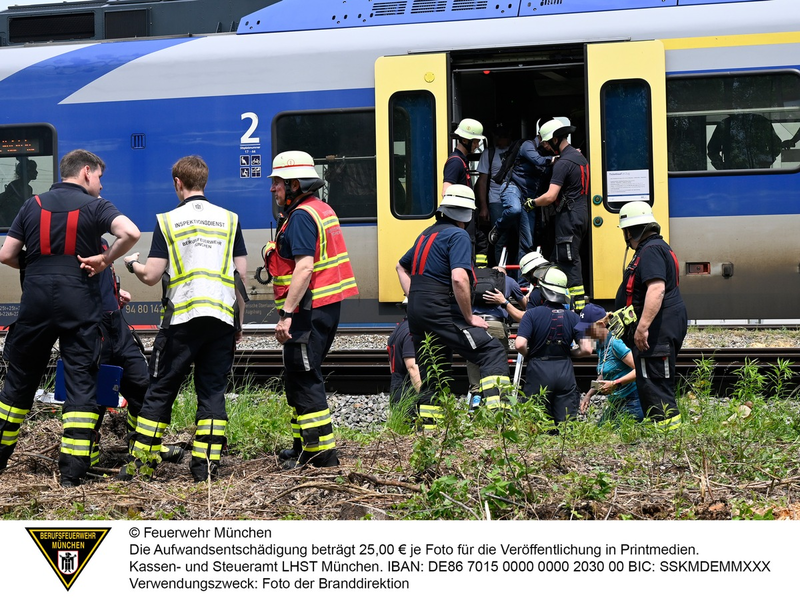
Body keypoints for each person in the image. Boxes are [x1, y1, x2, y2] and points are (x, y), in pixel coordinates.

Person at [0, 149, 140, 487]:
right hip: (79, 303)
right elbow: (131, 233)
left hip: (35, 303)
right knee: (81, 383)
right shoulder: (96, 207)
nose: (101, 185)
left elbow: (6, 254)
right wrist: (104, 260)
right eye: (100, 178)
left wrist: (38, 265)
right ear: (86, 172)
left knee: (18, 383)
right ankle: (71, 475)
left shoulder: (31, 205)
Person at [120, 155, 248, 482]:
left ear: (178, 183)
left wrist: (131, 264)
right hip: (220, 318)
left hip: (182, 319)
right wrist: (238, 323)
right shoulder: (230, 219)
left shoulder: (167, 221)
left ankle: (142, 465)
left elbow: (152, 275)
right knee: (212, 393)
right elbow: (240, 278)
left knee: (161, 389)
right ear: (204, 181)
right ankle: (205, 468)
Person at [267, 150, 358, 469]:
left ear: (295, 184)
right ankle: (301, 446)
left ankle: (321, 456)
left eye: (278, 182)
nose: (273, 188)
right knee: (297, 377)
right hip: (323, 307)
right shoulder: (320, 209)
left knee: (305, 378)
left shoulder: (302, 216)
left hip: (308, 310)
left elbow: (304, 268)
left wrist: (286, 314)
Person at [396, 184, 510, 425]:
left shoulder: (425, 234)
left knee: (434, 369)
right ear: (467, 215)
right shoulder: (458, 236)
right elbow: (459, 278)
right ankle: (498, 419)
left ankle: (430, 430)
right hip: (441, 310)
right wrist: (469, 317)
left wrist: (414, 296)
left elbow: (400, 266)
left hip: (416, 313)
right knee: (491, 350)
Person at [90, 238, 184, 467]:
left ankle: (142, 446)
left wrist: (115, 294)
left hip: (117, 327)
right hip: (91, 330)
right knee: (92, 398)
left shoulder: (101, 242)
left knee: (143, 386)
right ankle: (86, 458)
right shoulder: (74, 244)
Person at [615, 201, 687, 430]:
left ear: (631, 231)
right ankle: (661, 430)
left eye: (626, 231)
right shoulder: (656, 247)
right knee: (651, 379)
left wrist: (642, 327)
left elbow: (656, 289)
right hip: (661, 325)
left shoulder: (651, 251)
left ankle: (666, 434)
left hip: (657, 329)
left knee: (655, 381)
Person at [525, 118, 590, 311]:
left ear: (555, 139)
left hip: (568, 217)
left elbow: (551, 196)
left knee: (569, 262)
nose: (544, 146)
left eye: (546, 142)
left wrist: (532, 203)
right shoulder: (580, 158)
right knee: (562, 258)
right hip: (580, 214)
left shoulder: (563, 163)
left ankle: (577, 309)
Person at [514, 266, 591, 426]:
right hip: (564, 370)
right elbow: (587, 349)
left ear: (544, 290)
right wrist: (570, 353)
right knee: (566, 424)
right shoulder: (575, 317)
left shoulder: (531, 315)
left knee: (537, 424)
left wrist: (529, 354)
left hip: (538, 369)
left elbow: (519, 344)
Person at [487, 118, 554, 269]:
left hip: (530, 196)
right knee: (514, 209)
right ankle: (498, 227)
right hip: (513, 187)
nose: (548, 145)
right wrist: (555, 159)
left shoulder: (549, 152)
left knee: (527, 241)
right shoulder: (527, 146)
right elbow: (538, 160)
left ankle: (523, 280)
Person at [466, 251, 526, 401]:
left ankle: (476, 393)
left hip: (474, 323)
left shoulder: (475, 280)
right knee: (497, 360)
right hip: (496, 324)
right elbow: (525, 305)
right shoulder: (509, 281)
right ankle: (499, 396)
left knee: (473, 358)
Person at [576, 303, 644, 424]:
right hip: (617, 402)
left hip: (632, 401)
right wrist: (588, 395)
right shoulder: (600, 345)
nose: (585, 333)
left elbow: (639, 371)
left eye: (588, 329)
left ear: (601, 325)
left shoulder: (615, 344)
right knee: (599, 430)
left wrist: (615, 384)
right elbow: (605, 373)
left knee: (611, 433)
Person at [707, 113, 783, 170]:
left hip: (758, 172)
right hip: (734, 173)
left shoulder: (762, 122)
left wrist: (765, 162)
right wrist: (723, 168)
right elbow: (712, 150)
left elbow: (776, 145)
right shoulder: (725, 124)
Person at [387, 299, 421, 407]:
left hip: (396, 387)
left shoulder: (399, 328)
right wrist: (423, 396)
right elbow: (412, 367)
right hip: (408, 391)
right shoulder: (411, 331)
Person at [442, 118, 486, 195]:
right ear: (464, 140)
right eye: (475, 142)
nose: (477, 146)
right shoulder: (455, 162)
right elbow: (446, 192)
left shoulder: (461, 161)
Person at [0, 157, 38, 226]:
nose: (36, 172)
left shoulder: (28, 188)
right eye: (33, 170)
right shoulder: (14, 186)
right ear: (26, 172)